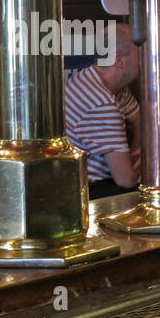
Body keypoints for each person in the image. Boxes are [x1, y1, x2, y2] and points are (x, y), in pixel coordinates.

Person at [63, 23, 140, 198]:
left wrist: (137, 150)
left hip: (99, 184)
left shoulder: (102, 82)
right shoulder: (100, 103)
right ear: (119, 60)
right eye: (141, 54)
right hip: (90, 194)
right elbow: (126, 180)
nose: (149, 59)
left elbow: (138, 119)